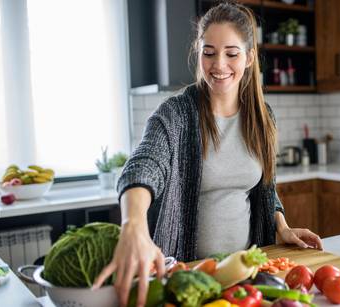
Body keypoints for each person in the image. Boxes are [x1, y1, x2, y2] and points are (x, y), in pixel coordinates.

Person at [93, 2, 323, 306]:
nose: (219, 65)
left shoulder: (262, 116)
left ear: (250, 57)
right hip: (187, 278)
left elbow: (266, 187)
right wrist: (132, 223)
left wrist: (281, 226)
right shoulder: (175, 116)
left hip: (245, 276)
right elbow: (143, 166)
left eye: (231, 53)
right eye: (209, 52)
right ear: (198, 52)